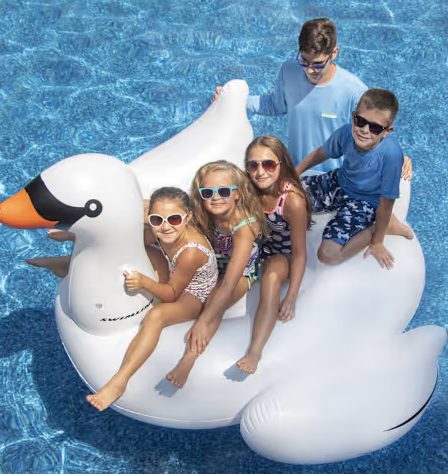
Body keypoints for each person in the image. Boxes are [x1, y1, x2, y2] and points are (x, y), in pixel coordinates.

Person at [212, 18, 412, 179]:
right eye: (304, 61)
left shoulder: (354, 91)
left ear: (334, 53)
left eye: (317, 64)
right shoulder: (289, 70)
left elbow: (374, 129)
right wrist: (233, 99)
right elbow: (275, 104)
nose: (309, 70)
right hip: (296, 174)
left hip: (335, 180)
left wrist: (398, 155)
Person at [85, 187, 219, 411]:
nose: (165, 226)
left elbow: (172, 294)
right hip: (173, 268)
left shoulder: (191, 252)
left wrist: (145, 282)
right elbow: (125, 213)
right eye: (157, 219)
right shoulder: (161, 230)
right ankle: (68, 262)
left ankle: (120, 382)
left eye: (174, 219)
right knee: (130, 242)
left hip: (195, 293)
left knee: (156, 315)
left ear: (188, 218)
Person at [166, 161, 269, 388]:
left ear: (237, 194)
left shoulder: (244, 226)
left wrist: (203, 321)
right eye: (207, 192)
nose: (215, 198)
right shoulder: (203, 214)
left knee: (215, 302)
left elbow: (229, 282)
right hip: (215, 262)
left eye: (223, 191)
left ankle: (188, 360)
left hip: (241, 272)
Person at [297, 88, 413, 270]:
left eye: (375, 127)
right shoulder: (346, 133)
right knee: (287, 195)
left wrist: (377, 241)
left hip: (364, 202)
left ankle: (388, 226)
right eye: (360, 121)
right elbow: (321, 153)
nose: (364, 130)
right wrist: (295, 173)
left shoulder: (391, 155)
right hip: (339, 182)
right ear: (353, 117)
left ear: (387, 131)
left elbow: (386, 203)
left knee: (328, 255)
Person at [236, 136, 311, 374]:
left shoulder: (292, 201)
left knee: (270, 278)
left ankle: (255, 351)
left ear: (281, 164)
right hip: (258, 245)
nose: (260, 172)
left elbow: (299, 253)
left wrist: (291, 296)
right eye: (253, 165)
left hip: (282, 253)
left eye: (268, 164)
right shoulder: (248, 189)